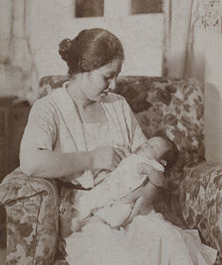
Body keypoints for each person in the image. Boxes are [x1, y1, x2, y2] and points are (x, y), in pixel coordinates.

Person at [20, 28, 217, 265]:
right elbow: (31, 162)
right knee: (121, 256)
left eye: (117, 76)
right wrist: (92, 159)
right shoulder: (49, 108)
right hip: (87, 218)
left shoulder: (118, 105)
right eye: (107, 76)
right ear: (83, 68)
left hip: (131, 209)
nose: (114, 85)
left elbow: (147, 157)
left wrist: (149, 191)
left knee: (168, 240)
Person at [71, 136, 179, 230]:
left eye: (153, 147)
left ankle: (84, 223)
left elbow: (160, 181)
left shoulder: (155, 165)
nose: (146, 145)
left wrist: (149, 170)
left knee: (110, 215)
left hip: (124, 199)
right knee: (89, 199)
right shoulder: (135, 155)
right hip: (108, 188)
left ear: (162, 162)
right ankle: (74, 217)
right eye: (147, 142)